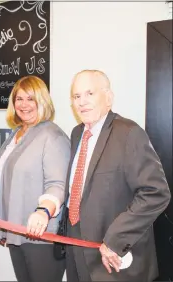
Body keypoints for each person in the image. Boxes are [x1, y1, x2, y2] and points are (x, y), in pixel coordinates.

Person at [63, 69, 171, 281]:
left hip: (113, 255)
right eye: (77, 96)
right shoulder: (77, 134)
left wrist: (116, 239)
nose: (82, 102)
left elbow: (156, 193)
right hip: (77, 247)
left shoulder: (129, 133)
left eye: (90, 94)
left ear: (108, 98)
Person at [0, 75, 70, 282]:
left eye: (30, 99)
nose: (24, 105)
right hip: (18, 231)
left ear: (42, 101)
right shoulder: (17, 133)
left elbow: (58, 185)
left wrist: (44, 211)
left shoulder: (53, 136)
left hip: (42, 236)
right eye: (19, 98)